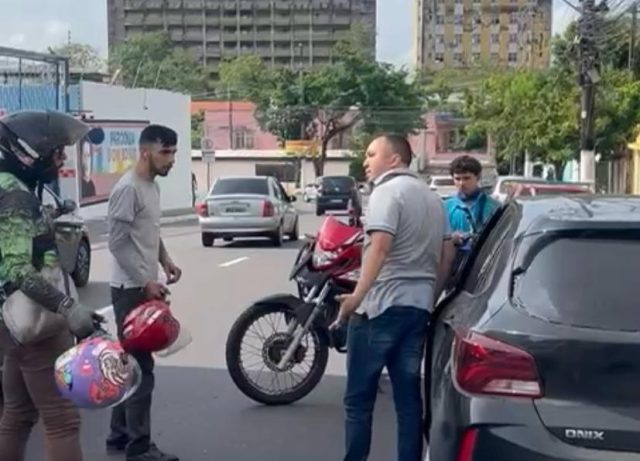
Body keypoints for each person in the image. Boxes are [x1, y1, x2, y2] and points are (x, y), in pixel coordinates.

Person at [330, 134, 456, 461]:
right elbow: (447, 255)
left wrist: (356, 297)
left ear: (395, 159)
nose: (365, 161)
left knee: (359, 401)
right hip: (417, 310)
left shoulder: (387, 192)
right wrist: (431, 295)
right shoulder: (433, 199)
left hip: (380, 308)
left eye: (372, 154)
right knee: (408, 402)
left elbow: (381, 246)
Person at [0, 110, 104, 461]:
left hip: (9, 323)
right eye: (57, 151)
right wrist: (67, 306)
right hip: (31, 324)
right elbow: (16, 268)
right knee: (61, 420)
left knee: (17, 414)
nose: (61, 159)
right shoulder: (15, 196)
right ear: (30, 152)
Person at [105, 124, 182, 461]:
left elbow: (150, 231)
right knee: (141, 369)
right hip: (129, 291)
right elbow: (117, 244)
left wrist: (165, 261)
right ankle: (139, 447)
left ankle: (119, 434)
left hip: (143, 285)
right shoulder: (128, 189)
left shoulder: (151, 187)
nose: (172, 159)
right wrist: (145, 280)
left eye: (174, 152)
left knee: (130, 366)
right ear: (146, 151)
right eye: (166, 152)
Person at [445, 155, 499, 241]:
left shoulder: (494, 207)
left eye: (467, 178)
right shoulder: (446, 207)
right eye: (457, 179)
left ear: (478, 177)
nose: (462, 183)